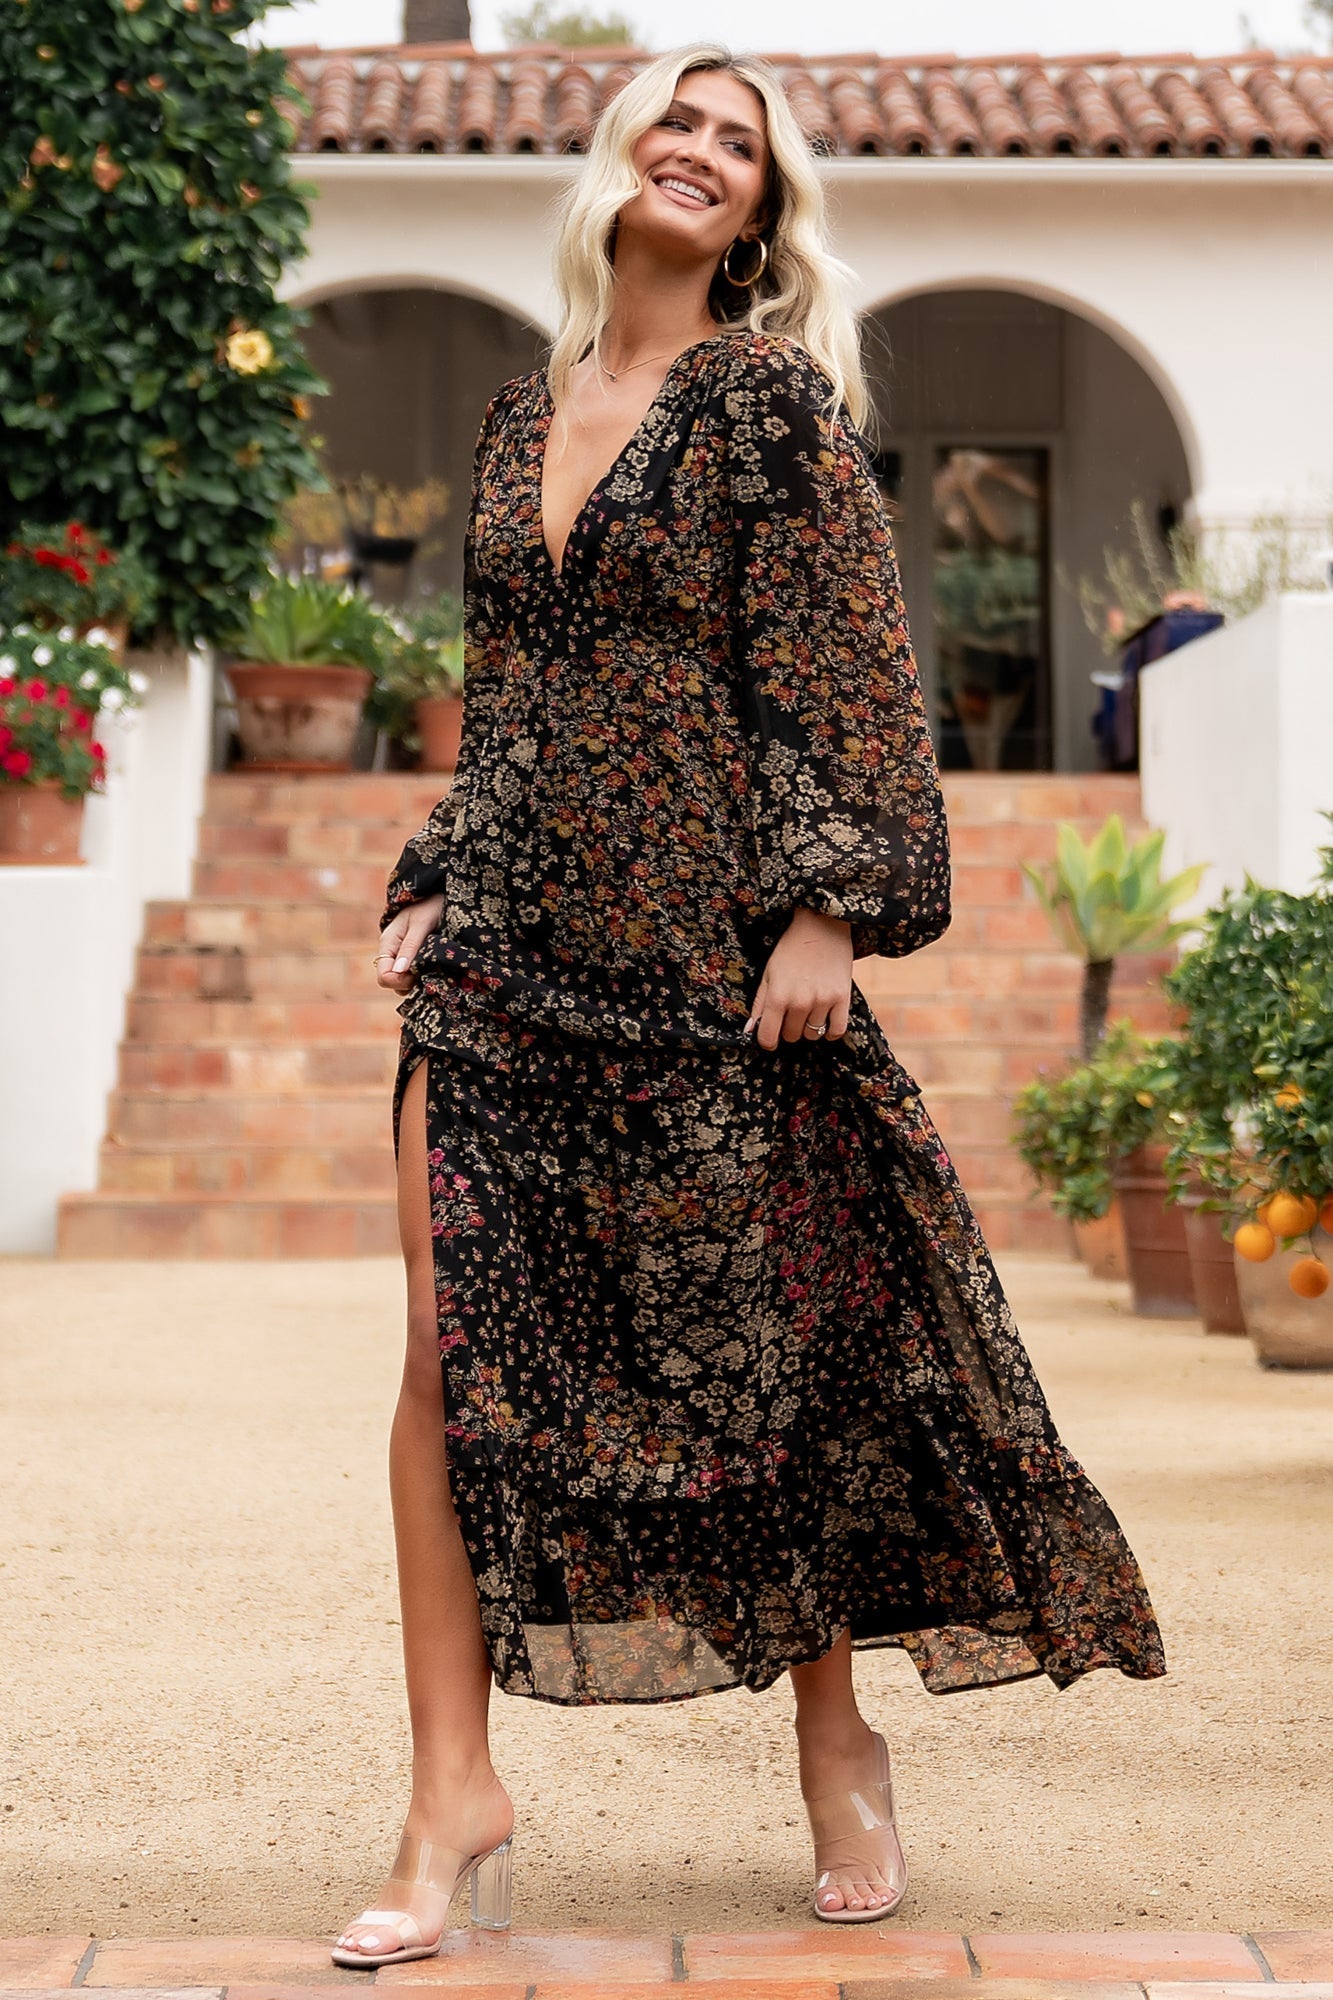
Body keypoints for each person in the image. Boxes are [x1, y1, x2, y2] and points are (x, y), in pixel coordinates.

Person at [333, 42, 1165, 1966]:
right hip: (503, 958)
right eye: (678, 121)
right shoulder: (514, 412)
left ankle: (834, 1738)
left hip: (705, 957)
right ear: (617, 154)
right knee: (443, 1356)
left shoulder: (768, 401)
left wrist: (829, 915)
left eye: (740, 143)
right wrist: (440, 862)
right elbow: (514, 689)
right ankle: (450, 1793)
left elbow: (846, 670)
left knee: (766, 1358)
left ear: (763, 211)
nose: (700, 151)